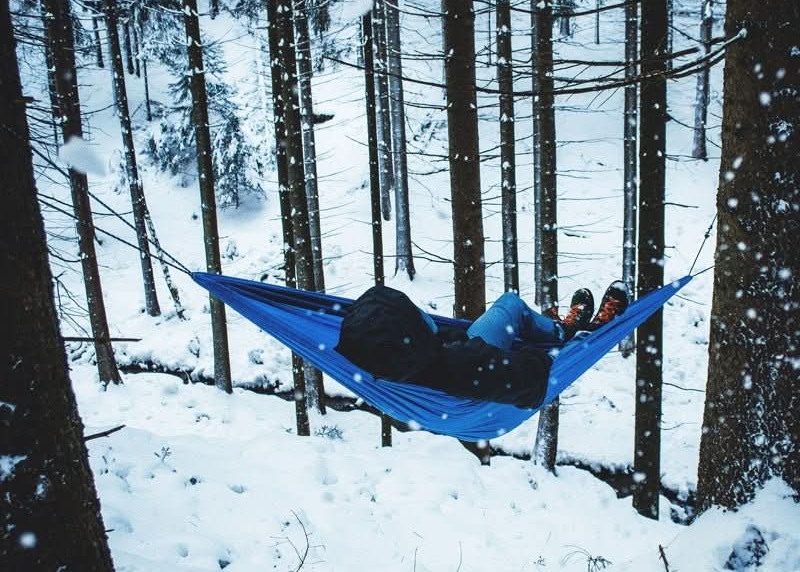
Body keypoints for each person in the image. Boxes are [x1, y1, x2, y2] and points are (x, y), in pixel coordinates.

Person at [335, 282, 629, 409]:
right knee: (511, 305)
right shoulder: (467, 365)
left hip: (433, 374)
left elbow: (428, 345)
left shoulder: (377, 355)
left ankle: (560, 329)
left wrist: (446, 340)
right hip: (473, 389)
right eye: (415, 314)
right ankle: (573, 333)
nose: (421, 312)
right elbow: (531, 381)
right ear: (410, 332)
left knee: (509, 308)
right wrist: (539, 355)